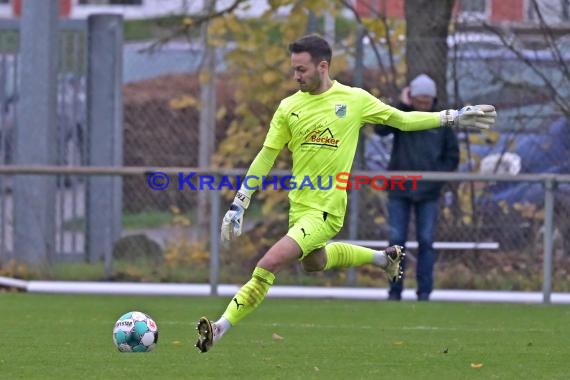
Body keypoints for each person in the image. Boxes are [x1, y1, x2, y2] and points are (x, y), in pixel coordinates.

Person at [195, 34, 496, 353]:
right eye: (293, 70)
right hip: (299, 208)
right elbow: (266, 155)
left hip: (327, 209)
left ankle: (220, 327)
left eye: (302, 69)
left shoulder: (354, 100)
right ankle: (383, 258)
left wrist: (450, 117)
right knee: (314, 263)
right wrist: (240, 202)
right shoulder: (289, 107)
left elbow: (403, 120)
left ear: (322, 66)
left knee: (268, 264)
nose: (296, 76)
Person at [375, 74, 460, 302]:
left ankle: (424, 292)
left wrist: (435, 180)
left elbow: (452, 156)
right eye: (419, 100)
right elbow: (380, 129)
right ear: (411, 98)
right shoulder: (402, 117)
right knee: (396, 240)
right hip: (399, 189)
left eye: (427, 101)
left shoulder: (441, 123)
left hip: (429, 192)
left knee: (426, 240)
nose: (423, 105)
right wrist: (401, 106)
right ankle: (394, 291)